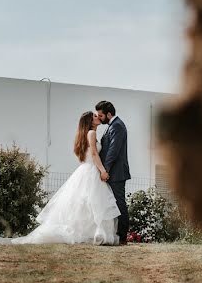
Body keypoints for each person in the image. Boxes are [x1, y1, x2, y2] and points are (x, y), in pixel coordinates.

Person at [13, 111, 121, 245]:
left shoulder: (85, 135)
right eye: (94, 116)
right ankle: (92, 233)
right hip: (91, 170)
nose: (97, 117)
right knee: (93, 202)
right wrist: (103, 171)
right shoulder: (91, 133)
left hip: (85, 169)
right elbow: (94, 154)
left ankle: (89, 233)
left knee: (85, 203)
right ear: (89, 121)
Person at [96, 100, 131, 245]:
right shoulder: (112, 125)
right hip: (112, 172)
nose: (99, 118)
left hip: (116, 173)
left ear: (109, 114)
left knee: (119, 204)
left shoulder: (117, 126)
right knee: (113, 203)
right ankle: (114, 233)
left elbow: (113, 150)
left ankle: (122, 237)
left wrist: (106, 170)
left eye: (101, 115)